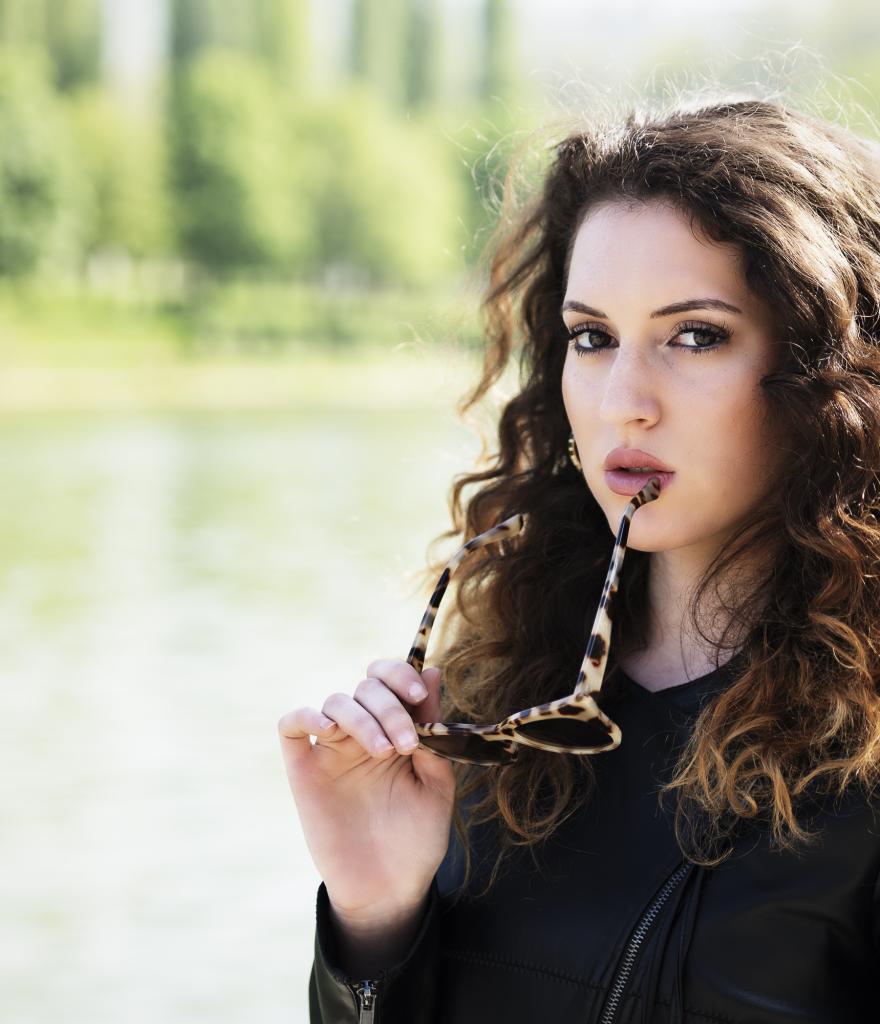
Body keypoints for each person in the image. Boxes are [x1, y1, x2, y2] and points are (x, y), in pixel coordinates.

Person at [277, 93, 880, 1023]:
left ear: (831, 374)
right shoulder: (492, 704)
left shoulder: (862, 760)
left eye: (695, 335)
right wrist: (375, 920)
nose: (623, 399)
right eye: (593, 338)